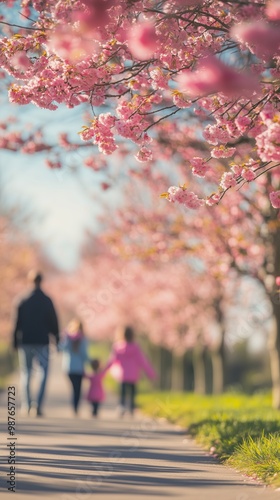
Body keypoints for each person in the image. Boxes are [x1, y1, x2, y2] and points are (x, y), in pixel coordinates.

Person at [12, 270, 60, 417]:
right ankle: (37, 405)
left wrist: (14, 340)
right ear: (41, 281)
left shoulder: (22, 299)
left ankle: (26, 405)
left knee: (26, 373)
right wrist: (56, 338)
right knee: (43, 373)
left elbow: (16, 322)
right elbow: (53, 321)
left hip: (25, 340)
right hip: (42, 341)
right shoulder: (46, 300)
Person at [106, 325, 156, 416]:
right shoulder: (136, 347)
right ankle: (132, 407)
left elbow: (111, 360)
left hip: (123, 375)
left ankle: (122, 406)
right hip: (133, 374)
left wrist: (103, 371)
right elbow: (142, 361)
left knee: (123, 392)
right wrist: (150, 373)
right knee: (132, 392)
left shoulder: (117, 347)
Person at [60, 318, 89, 415]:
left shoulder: (68, 338)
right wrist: (91, 362)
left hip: (69, 367)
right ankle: (76, 407)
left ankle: (74, 406)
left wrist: (64, 337)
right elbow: (84, 354)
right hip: (79, 368)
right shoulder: (83, 339)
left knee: (73, 388)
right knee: (78, 389)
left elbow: (61, 348)